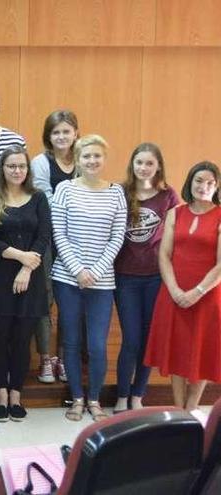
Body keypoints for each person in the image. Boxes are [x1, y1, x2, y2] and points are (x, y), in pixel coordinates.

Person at [52, 135, 126, 422]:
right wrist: (78, 270)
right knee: (70, 342)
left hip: (102, 282)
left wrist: (94, 272)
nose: (92, 161)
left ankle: (94, 398)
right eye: (86, 156)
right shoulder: (64, 189)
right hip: (67, 279)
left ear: (104, 159)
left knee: (96, 344)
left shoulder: (116, 193)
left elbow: (117, 237)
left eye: (97, 156)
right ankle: (77, 399)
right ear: (78, 160)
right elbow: (59, 233)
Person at [0, 146, 51, 422]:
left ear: (28, 169)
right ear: (3, 169)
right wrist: (19, 255)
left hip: (31, 279)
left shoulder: (38, 197)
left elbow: (44, 235)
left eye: (21, 166)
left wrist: (26, 266)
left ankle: (16, 395)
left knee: (23, 340)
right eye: (11, 166)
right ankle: (0, 394)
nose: (17, 171)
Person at [145, 161, 221, 415]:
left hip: (207, 295)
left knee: (200, 350)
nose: (204, 186)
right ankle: (177, 409)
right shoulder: (176, 212)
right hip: (173, 293)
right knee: (176, 349)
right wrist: (175, 290)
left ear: (217, 186)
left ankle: (192, 408)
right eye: (199, 180)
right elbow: (164, 255)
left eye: (210, 182)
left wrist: (197, 292)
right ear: (190, 182)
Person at [113, 143, 179, 413]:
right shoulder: (120, 192)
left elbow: (177, 234)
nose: (144, 168)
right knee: (131, 339)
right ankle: (121, 395)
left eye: (149, 163)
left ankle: (138, 394)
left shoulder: (168, 196)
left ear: (158, 166)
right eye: (139, 162)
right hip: (125, 276)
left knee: (149, 338)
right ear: (132, 165)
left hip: (155, 278)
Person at [30, 110, 79, 384]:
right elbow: (44, 202)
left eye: (66, 131)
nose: (61, 136)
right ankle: (46, 358)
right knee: (45, 299)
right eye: (56, 132)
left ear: (75, 133)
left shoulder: (84, 159)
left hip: (78, 241)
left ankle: (64, 358)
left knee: (70, 302)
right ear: (48, 136)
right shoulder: (41, 162)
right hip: (48, 239)